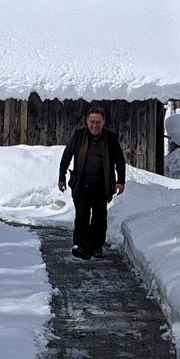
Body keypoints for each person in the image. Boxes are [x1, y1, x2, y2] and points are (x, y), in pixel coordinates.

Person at [57, 106, 127, 259]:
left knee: (99, 218)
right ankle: (80, 246)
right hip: (81, 184)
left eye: (98, 122)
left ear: (103, 123)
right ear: (87, 121)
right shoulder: (79, 136)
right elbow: (66, 156)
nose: (94, 126)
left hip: (102, 185)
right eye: (92, 122)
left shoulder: (110, 138)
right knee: (81, 216)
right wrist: (61, 177)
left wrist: (120, 181)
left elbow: (119, 161)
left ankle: (96, 247)